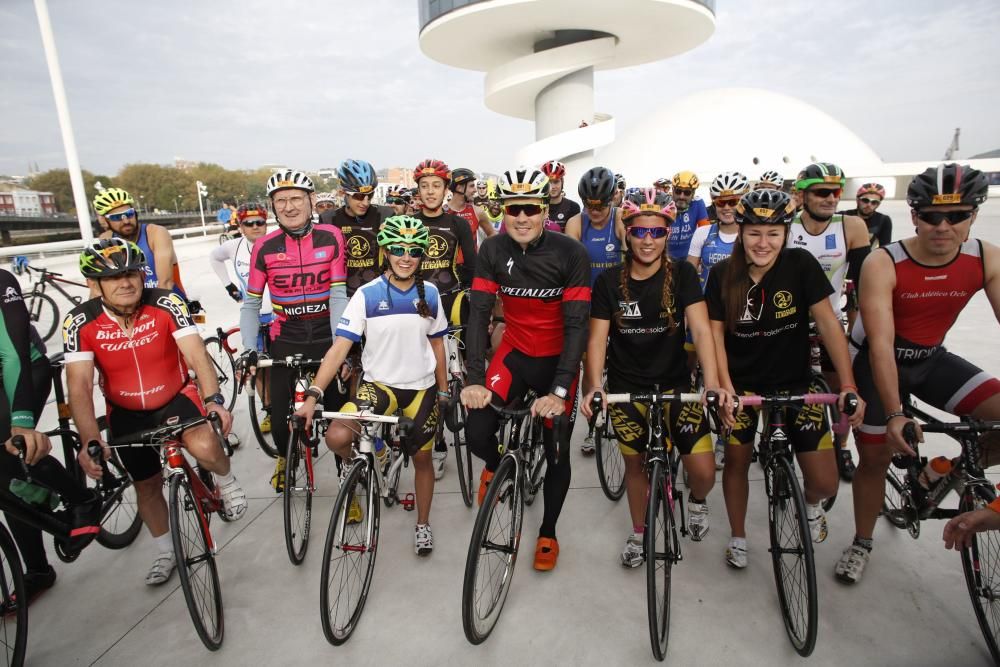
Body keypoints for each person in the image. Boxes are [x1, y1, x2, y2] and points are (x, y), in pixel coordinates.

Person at [835, 163, 999, 584]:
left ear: (974, 216)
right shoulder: (884, 261)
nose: (943, 226)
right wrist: (893, 414)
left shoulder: (986, 257)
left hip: (929, 358)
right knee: (874, 457)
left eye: (957, 215)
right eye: (931, 216)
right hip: (875, 360)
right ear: (914, 217)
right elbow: (882, 344)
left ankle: (950, 469)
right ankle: (862, 541)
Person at [66, 239, 247, 586]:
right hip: (126, 411)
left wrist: (213, 400)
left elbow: (196, 356)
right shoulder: (79, 323)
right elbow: (79, 387)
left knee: (205, 446)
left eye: (131, 273)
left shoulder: (166, 303)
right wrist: (89, 437)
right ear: (95, 285)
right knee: (146, 485)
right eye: (113, 277)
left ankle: (225, 481)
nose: (126, 282)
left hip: (175, 396)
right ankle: (166, 551)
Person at [704, 189, 865, 569]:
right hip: (742, 384)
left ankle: (810, 505)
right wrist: (724, 386)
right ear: (741, 232)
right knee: (738, 462)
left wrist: (848, 384)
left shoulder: (801, 264)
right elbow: (714, 337)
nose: (763, 243)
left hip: (795, 381)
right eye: (754, 233)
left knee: (825, 483)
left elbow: (828, 322)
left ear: (786, 234)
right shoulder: (723, 274)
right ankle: (739, 535)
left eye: (773, 233)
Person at [581, 188, 730, 566]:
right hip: (627, 390)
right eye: (640, 232)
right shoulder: (608, 282)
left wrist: (711, 383)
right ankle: (638, 533)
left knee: (703, 472)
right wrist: (594, 385)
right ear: (627, 233)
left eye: (658, 232)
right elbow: (597, 339)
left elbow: (701, 330)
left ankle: (696, 502)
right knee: (635, 467)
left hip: (676, 387)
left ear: (668, 234)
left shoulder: (681, 274)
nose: (648, 241)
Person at [295, 216, 448, 555]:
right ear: (385, 252)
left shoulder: (432, 293)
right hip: (380, 388)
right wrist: (313, 395)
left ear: (422, 255)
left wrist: (444, 389)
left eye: (413, 251)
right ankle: (378, 452)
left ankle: (422, 524)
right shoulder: (366, 294)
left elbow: (438, 344)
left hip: (421, 391)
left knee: (422, 461)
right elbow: (339, 349)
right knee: (336, 436)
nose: (405, 257)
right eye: (397, 249)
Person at [461, 167, 590, 571]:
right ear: (503, 209)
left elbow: (576, 327)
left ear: (543, 210)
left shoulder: (571, 253)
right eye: (513, 208)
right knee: (477, 429)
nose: (521, 217)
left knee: (557, 452)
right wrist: (475, 380)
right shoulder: (493, 250)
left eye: (530, 209)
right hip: (515, 354)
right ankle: (497, 466)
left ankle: (548, 531)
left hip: (557, 361)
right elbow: (479, 316)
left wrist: (562, 391)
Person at [241, 169, 349, 490]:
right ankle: (287, 455)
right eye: (281, 200)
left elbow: (338, 294)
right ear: (273, 206)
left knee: (336, 420)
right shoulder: (264, 246)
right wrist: (249, 348)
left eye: (296, 199)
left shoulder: (330, 236)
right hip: (284, 339)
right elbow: (250, 305)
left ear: (311, 201)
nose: (289, 207)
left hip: (324, 335)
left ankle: (346, 472)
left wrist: (340, 346)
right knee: (277, 427)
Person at [0, 268, 100, 606]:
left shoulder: (2, 281)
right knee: (5, 482)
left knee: (10, 447)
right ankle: (39, 569)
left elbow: (14, 354)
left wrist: (22, 421)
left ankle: (82, 500)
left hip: (23, 367)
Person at [790, 163, 872, 480]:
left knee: (841, 391)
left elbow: (860, 284)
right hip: (791, 324)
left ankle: (842, 446)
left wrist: (858, 327)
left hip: (830, 320)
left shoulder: (851, 226)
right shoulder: (787, 225)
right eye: (822, 192)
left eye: (836, 192)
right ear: (802, 195)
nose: (830, 198)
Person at [412, 159, 478, 480]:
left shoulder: (458, 224)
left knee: (460, 362)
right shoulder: (409, 222)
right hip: (417, 304)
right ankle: (437, 443)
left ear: (445, 189)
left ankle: (462, 391)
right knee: (425, 379)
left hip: (450, 300)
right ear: (419, 191)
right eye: (424, 186)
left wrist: (472, 296)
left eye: (436, 185)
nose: (430, 191)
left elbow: (473, 266)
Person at [688, 173, 745, 469]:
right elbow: (688, 275)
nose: (727, 207)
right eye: (721, 201)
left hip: (737, 318)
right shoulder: (704, 234)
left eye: (733, 201)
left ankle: (724, 437)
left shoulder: (750, 234)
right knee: (688, 371)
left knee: (727, 379)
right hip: (704, 316)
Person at [209, 202, 274, 431]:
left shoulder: (277, 242)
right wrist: (228, 286)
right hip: (253, 317)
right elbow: (214, 258)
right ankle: (269, 409)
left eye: (260, 222)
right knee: (256, 368)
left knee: (283, 367)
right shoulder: (232, 247)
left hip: (279, 317)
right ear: (240, 226)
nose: (256, 227)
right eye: (250, 223)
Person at [95, 188, 187, 298]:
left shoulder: (156, 233)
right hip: (134, 305)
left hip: (168, 301)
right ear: (104, 221)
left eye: (129, 214)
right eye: (116, 217)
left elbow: (165, 283)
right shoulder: (106, 240)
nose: (126, 221)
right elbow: (98, 289)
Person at [322, 159, 384, 299]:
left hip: (377, 295)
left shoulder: (385, 215)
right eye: (359, 196)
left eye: (370, 195)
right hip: (343, 297)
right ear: (343, 193)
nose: (365, 202)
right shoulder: (328, 219)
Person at [565, 166, 625, 288]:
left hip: (614, 294)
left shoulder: (620, 217)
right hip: (587, 293)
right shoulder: (575, 223)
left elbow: (631, 259)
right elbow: (571, 268)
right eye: (589, 206)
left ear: (613, 198)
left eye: (600, 207)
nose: (594, 212)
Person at [446, 167, 495, 247]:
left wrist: (483, 252)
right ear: (460, 188)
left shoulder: (478, 212)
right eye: (471, 186)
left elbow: (492, 234)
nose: (475, 190)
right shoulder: (442, 211)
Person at [668, 171, 711, 260]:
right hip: (666, 257)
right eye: (678, 191)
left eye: (687, 193)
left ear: (693, 194)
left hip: (688, 257)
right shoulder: (665, 203)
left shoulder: (698, 203)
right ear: (673, 190)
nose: (681, 196)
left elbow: (705, 233)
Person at [842, 182, 892, 249]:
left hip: (868, 258)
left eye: (874, 202)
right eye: (865, 200)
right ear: (857, 200)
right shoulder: (842, 216)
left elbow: (885, 248)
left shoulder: (884, 220)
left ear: (878, 204)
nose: (869, 205)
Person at [540, 160, 581, 232]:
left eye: (556, 182)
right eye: (548, 182)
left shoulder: (573, 207)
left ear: (562, 182)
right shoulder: (538, 206)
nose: (552, 187)